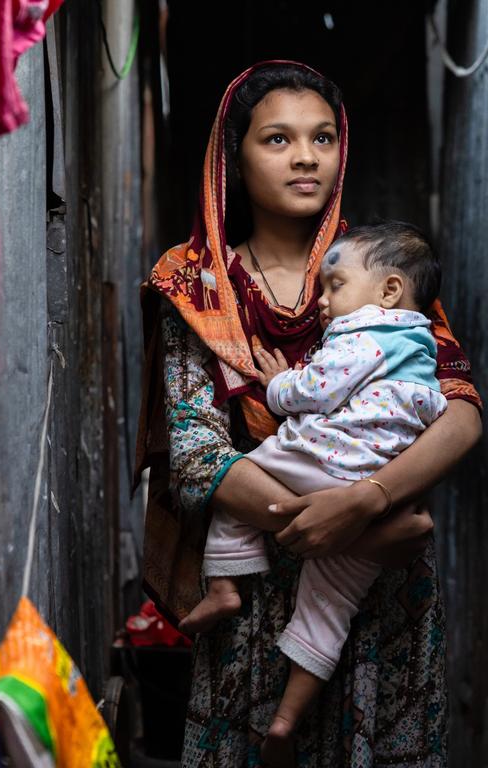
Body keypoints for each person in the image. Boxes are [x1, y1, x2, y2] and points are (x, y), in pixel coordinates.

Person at [135, 61, 483, 767]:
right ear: (233, 156)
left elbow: (460, 414)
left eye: (323, 138)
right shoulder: (196, 285)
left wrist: (367, 502)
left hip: (381, 593)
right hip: (257, 592)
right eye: (278, 140)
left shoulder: (381, 274)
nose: (305, 157)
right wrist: (321, 527)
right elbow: (199, 451)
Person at [181, 221, 451, 765]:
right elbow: (447, 413)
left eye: (334, 288)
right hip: (384, 498)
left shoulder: (364, 330)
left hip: (328, 460)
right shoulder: (419, 335)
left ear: (389, 290)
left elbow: (314, 390)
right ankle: (287, 718)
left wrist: (278, 386)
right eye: (277, 139)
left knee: (250, 468)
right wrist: (369, 527)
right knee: (329, 610)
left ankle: (226, 580)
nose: (324, 302)